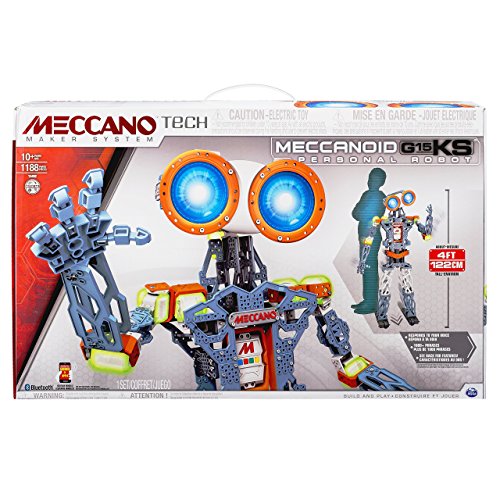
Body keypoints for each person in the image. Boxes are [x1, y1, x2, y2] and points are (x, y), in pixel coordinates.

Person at [351, 168, 387, 314]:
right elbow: (355, 213)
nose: (370, 181)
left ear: (381, 182)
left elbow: (366, 214)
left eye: (374, 179)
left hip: (372, 237)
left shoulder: (381, 197)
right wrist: (363, 213)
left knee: (369, 268)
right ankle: (367, 300)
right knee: (366, 268)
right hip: (364, 237)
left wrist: (363, 212)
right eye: (370, 178)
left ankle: (371, 304)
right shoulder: (366, 195)